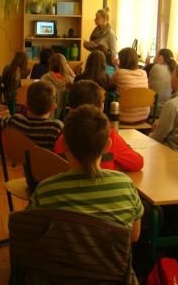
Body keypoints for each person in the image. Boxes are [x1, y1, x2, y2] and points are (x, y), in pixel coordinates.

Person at [29, 104, 143, 243]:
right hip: (109, 257)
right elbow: (134, 236)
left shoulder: (45, 190)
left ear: (64, 144)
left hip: (62, 256)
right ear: (107, 146)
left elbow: (32, 233)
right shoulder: (126, 185)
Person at [53, 80, 144, 172]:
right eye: (103, 101)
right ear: (101, 108)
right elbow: (138, 163)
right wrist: (115, 167)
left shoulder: (63, 139)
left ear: (70, 109)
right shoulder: (109, 136)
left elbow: (59, 168)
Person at [0, 81, 63, 151]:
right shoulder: (56, 128)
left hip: (22, 159)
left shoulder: (15, 120)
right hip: (47, 162)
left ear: (26, 104)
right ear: (53, 107)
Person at [110, 47, 150, 123]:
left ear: (122, 60)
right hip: (143, 117)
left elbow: (109, 83)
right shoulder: (144, 73)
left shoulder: (120, 73)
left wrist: (116, 66)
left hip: (123, 118)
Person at [144, 48, 177, 115]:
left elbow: (141, 78)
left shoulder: (154, 67)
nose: (154, 57)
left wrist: (147, 64)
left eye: (156, 55)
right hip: (165, 109)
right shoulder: (173, 69)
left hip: (151, 109)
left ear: (161, 57)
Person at [41, 53, 73, 119]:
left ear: (50, 64)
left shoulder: (45, 78)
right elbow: (76, 79)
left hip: (47, 116)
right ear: (65, 65)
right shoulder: (69, 81)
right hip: (64, 118)